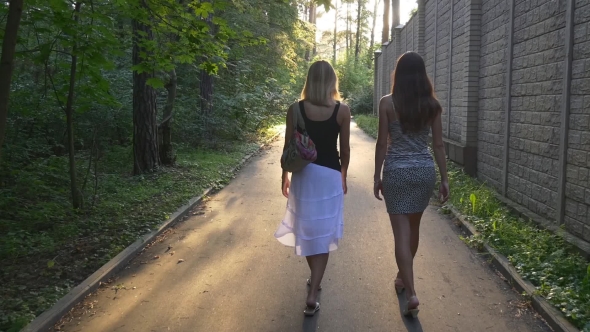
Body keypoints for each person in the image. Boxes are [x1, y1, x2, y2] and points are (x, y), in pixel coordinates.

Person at [373, 52, 449, 318]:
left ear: (398, 74)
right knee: (413, 230)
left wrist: (376, 176)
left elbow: (382, 143)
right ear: (422, 74)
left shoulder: (387, 103)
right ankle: (402, 277)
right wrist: (445, 178)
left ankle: (412, 292)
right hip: (423, 172)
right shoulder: (432, 105)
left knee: (400, 235)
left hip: (396, 173)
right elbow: (438, 145)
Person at [275, 60, 351, 317]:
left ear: (309, 80)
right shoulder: (342, 111)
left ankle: (313, 282)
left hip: (304, 175)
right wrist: (344, 175)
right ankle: (313, 289)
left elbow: (288, 146)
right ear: (332, 81)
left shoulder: (295, 109)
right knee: (324, 233)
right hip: (330, 176)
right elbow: (346, 150)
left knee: (307, 229)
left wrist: (284, 175)